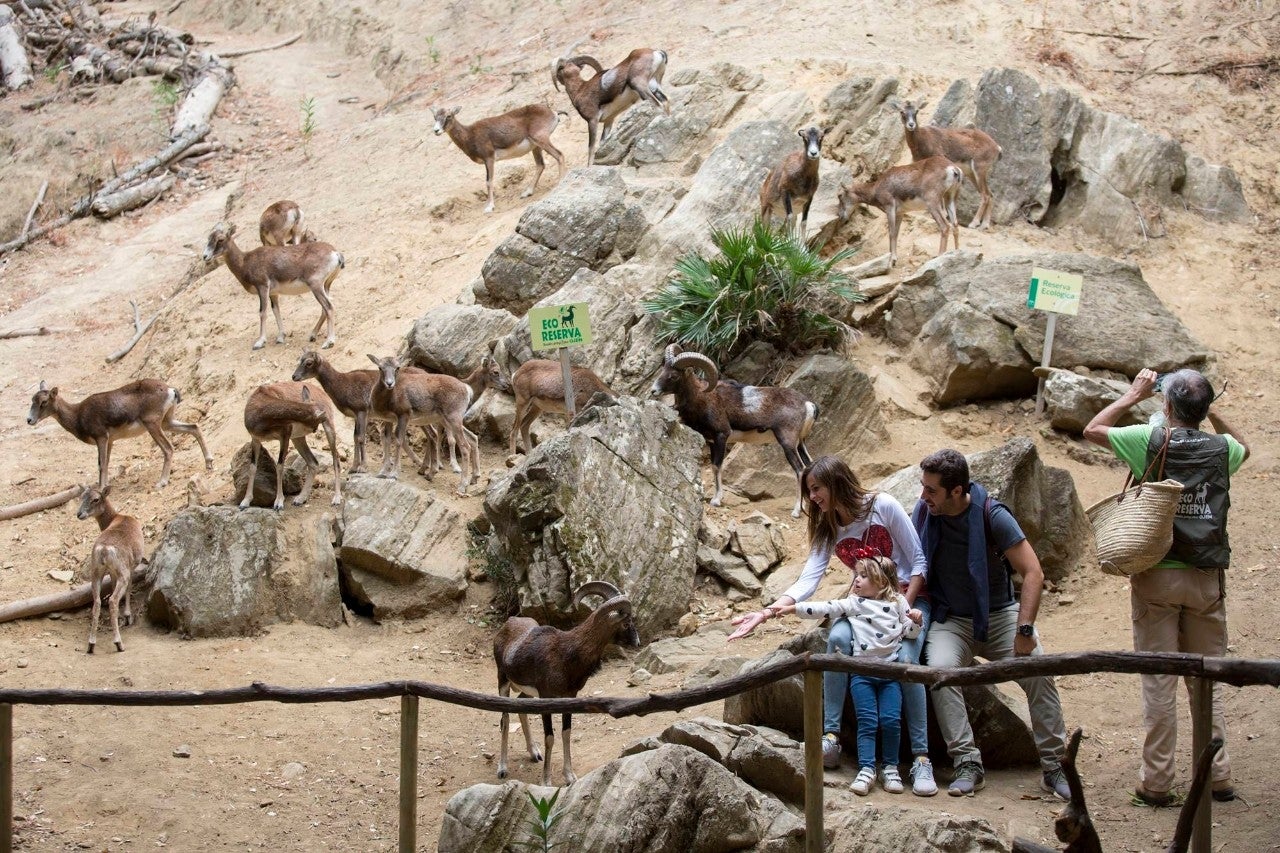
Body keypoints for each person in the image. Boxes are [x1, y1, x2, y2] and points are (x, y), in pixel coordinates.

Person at [1084, 368, 1248, 806]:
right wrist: (1214, 411)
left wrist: (1131, 394)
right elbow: (1245, 446)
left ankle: (1157, 783)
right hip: (1206, 578)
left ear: (1167, 406)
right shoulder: (1222, 449)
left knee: (1159, 680)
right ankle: (1218, 775)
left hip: (1157, 574)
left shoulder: (1150, 441)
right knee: (1207, 680)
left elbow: (1093, 428)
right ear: (1203, 409)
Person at [728, 455, 938, 797]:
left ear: (835, 483)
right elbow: (809, 578)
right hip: (864, 604)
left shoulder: (882, 505)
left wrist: (900, 610)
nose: (812, 497)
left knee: (908, 661)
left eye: (816, 488)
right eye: (808, 491)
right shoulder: (828, 525)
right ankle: (832, 736)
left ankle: (920, 757)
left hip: (907, 600)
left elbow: (918, 561)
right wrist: (767, 612)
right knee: (838, 639)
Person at [912, 448, 1070, 800]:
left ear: (956, 491)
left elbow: (1033, 572)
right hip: (951, 619)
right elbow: (913, 562)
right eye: (923, 488)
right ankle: (967, 762)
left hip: (1000, 615)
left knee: (1039, 673)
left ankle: (1055, 765)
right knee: (939, 673)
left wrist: (1025, 629)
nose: (923, 497)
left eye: (931, 490)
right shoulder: (925, 512)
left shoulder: (991, 514)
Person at [769, 552, 923, 796]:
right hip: (861, 675)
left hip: (890, 674)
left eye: (864, 576)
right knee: (868, 721)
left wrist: (915, 621)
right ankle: (867, 768)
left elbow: (910, 634)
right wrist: (792, 608)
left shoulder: (898, 604)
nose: (857, 581)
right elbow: (825, 608)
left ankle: (890, 767)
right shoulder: (855, 603)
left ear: (882, 582)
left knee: (891, 721)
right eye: (856, 575)